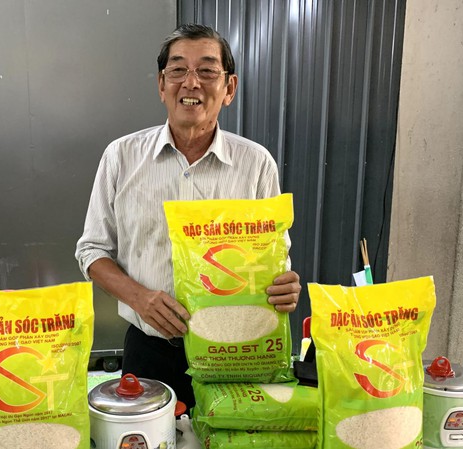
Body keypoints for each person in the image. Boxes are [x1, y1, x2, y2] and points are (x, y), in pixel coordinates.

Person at [75, 23, 301, 409]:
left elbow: (274, 258)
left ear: (229, 88)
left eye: (207, 70)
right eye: (178, 69)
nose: (191, 82)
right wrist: (140, 298)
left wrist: (284, 286)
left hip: (236, 353)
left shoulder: (256, 163)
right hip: (150, 351)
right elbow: (92, 251)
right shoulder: (121, 157)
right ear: (161, 85)